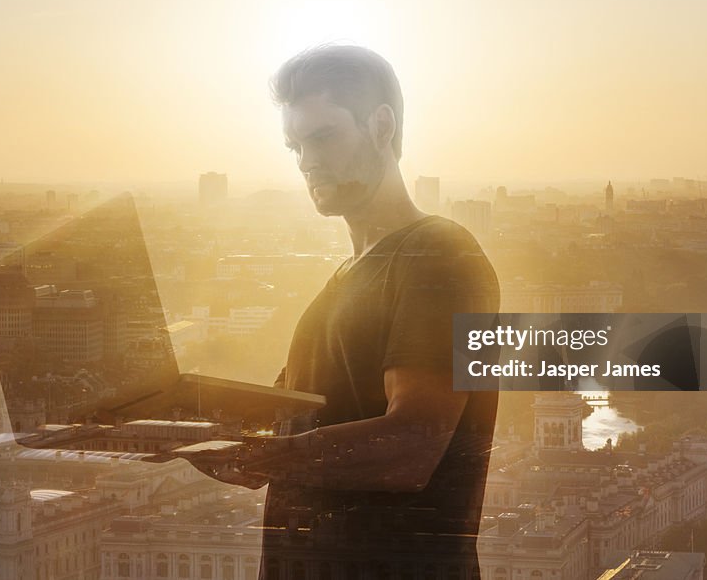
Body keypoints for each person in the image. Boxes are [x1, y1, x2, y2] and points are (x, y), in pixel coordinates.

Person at [187, 45, 500, 580]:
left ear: (381, 127)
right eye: (295, 146)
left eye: (323, 137)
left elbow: (411, 446)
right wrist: (166, 423)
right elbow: (288, 425)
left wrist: (259, 453)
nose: (307, 161)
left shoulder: (439, 255)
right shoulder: (347, 277)